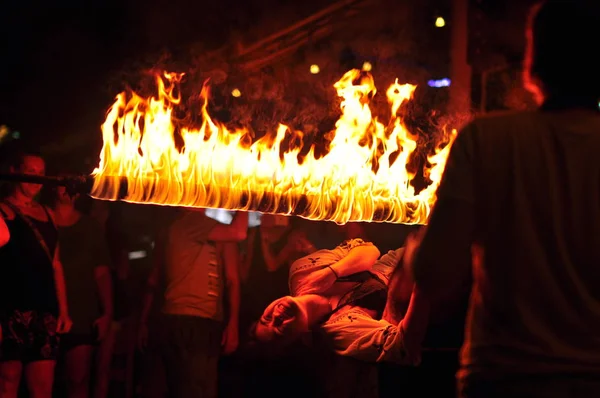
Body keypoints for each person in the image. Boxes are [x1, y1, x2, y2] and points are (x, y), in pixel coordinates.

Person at [410, 1, 600, 397]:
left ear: (534, 61)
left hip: (502, 379)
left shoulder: (486, 140)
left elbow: (434, 272)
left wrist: (413, 248)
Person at [252, 237, 429, 365]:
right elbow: (403, 347)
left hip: (406, 252)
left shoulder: (300, 272)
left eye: (266, 319)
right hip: (430, 280)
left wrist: (332, 271)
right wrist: (424, 282)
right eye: (278, 329)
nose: (276, 316)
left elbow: (368, 249)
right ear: (300, 337)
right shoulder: (340, 332)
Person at [138, 209, 248, 398]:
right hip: (187, 320)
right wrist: (246, 195)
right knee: (192, 389)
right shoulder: (188, 223)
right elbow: (239, 232)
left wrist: (232, 324)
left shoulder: (212, 229)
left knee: (203, 388)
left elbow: (232, 279)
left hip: (205, 320)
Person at [0, 149, 72, 398]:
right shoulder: (2, 211)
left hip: (44, 310)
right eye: (31, 172)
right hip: (10, 308)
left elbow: (56, 264)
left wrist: (63, 310)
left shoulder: (48, 215)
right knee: (7, 381)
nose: (36, 178)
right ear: (14, 172)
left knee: (43, 386)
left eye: (41, 173)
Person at [52, 185, 114, 398]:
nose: (66, 190)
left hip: (81, 313)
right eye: (61, 184)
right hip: (45, 309)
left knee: (78, 379)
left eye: (71, 185)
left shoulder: (90, 227)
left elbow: (102, 273)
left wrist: (107, 312)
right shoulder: (42, 219)